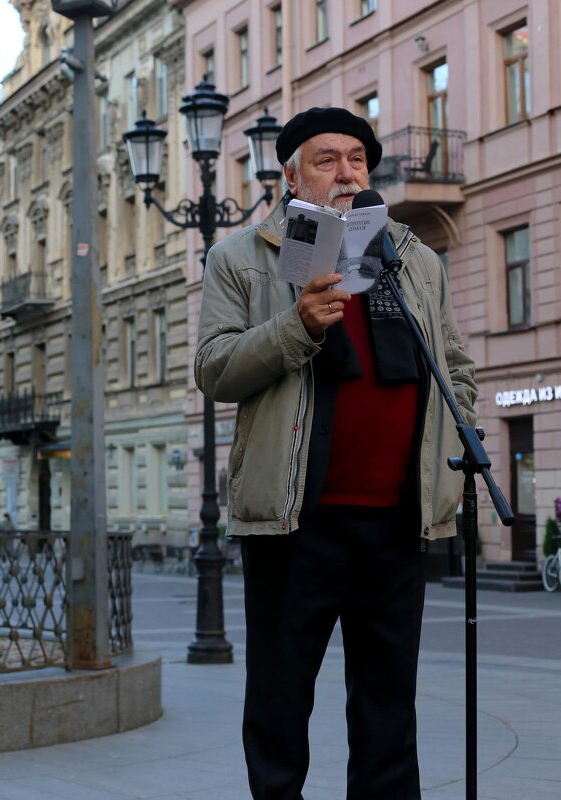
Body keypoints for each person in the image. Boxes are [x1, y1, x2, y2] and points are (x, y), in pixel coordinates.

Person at [195, 106, 477, 800]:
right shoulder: (241, 256)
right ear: (290, 174)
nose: (347, 172)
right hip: (295, 524)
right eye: (328, 159)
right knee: (280, 705)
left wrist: (457, 425)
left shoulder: (413, 257)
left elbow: (455, 368)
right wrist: (294, 327)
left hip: (396, 522)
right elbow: (214, 367)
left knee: (388, 709)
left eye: (357, 158)